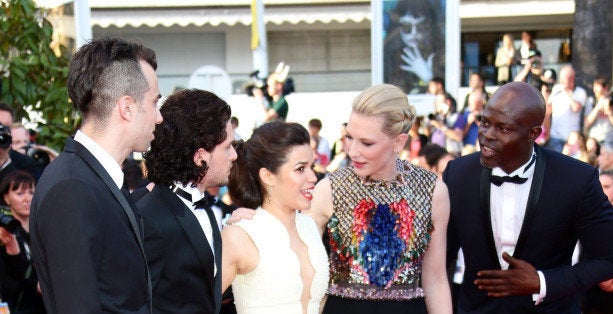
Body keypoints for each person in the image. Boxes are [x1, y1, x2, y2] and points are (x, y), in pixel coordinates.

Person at [229, 84, 452, 313]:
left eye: (366, 143)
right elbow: (285, 254)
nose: (353, 151)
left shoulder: (432, 190)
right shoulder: (329, 189)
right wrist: (252, 221)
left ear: (398, 142)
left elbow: (435, 279)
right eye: (349, 137)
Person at [443, 81, 613, 312]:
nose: (487, 135)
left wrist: (543, 282)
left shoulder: (576, 179)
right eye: (485, 122)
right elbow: (440, 257)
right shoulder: (458, 175)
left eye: (504, 129)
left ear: (534, 134)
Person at [29, 38, 162, 313]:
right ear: (127, 107)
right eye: (154, 102)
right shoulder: (72, 187)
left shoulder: (95, 179)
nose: (158, 117)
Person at [137, 89, 236, 313]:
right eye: (227, 147)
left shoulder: (208, 210)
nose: (234, 155)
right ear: (200, 156)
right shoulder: (150, 218)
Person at [222, 121, 328, 313]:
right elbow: (196, 304)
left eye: (312, 167)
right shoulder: (240, 234)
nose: (313, 178)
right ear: (268, 177)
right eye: (300, 169)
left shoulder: (309, 227)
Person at [581, 169, 613, 314]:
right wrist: (601, 278)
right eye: (599, 186)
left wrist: (610, 278)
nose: (601, 190)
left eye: (606, 186)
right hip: (591, 284)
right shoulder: (586, 214)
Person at [0, 171, 46, 313]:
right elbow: (8, 282)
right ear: (6, 198)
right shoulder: (4, 233)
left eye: (31, 193)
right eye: (20, 194)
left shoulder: (43, 231)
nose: (27, 199)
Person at [383, 0, 445, 94]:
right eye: (407, 27)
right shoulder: (392, 56)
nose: (414, 33)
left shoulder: (440, 53)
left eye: (420, 26)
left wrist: (427, 76)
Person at [545, 65, 587, 152]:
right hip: (555, 137)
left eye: (563, 78)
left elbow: (576, 108)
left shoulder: (580, 92)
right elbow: (548, 111)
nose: (561, 81)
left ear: (571, 78)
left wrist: (566, 93)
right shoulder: (556, 89)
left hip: (572, 138)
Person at [584, 76, 613, 144]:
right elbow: (586, 123)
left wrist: (609, 111)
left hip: (609, 140)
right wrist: (597, 107)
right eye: (594, 86)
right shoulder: (591, 101)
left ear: (605, 87)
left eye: (597, 87)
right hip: (594, 141)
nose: (594, 90)